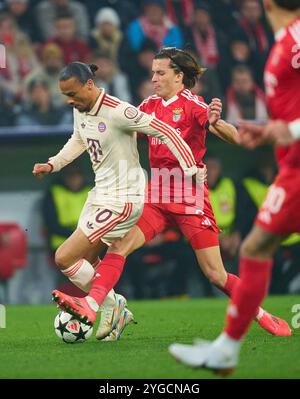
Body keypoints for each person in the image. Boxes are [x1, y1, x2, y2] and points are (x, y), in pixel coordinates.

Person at [51, 49, 290, 342]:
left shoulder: (194, 105)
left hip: (190, 198)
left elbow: (235, 136)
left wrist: (216, 122)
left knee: (215, 274)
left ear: (179, 76)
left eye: (160, 73)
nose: (153, 79)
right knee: (118, 247)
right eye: (152, 72)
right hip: (155, 195)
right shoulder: (148, 105)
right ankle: (92, 305)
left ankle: (262, 314)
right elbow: (122, 130)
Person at [169, 0, 300, 375]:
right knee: (255, 248)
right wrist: (274, 131)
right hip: (291, 166)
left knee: (254, 248)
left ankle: (226, 350)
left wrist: (287, 130)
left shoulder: (293, 42)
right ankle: (226, 350)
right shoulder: (283, 42)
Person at [32, 61, 205, 338]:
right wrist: (53, 164)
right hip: (100, 195)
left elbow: (166, 130)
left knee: (64, 257)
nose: (69, 100)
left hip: (124, 199)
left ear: (90, 85)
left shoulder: (118, 111)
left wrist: (191, 168)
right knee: (87, 260)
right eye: (65, 95)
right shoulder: (81, 109)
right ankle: (115, 307)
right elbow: (79, 139)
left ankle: (107, 305)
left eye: (73, 94)